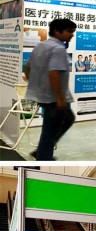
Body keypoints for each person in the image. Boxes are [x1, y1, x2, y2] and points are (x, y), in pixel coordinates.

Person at [24, 18, 77, 161]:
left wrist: (36, 85)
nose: (72, 34)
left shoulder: (40, 46)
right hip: (53, 98)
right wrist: (60, 99)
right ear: (57, 31)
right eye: (69, 31)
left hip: (43, 95)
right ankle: (43, 157)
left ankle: (42, 151)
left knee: (67, 119)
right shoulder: (58, 49)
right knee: (50, 129)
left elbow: (27, 68)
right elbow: (54, 73)